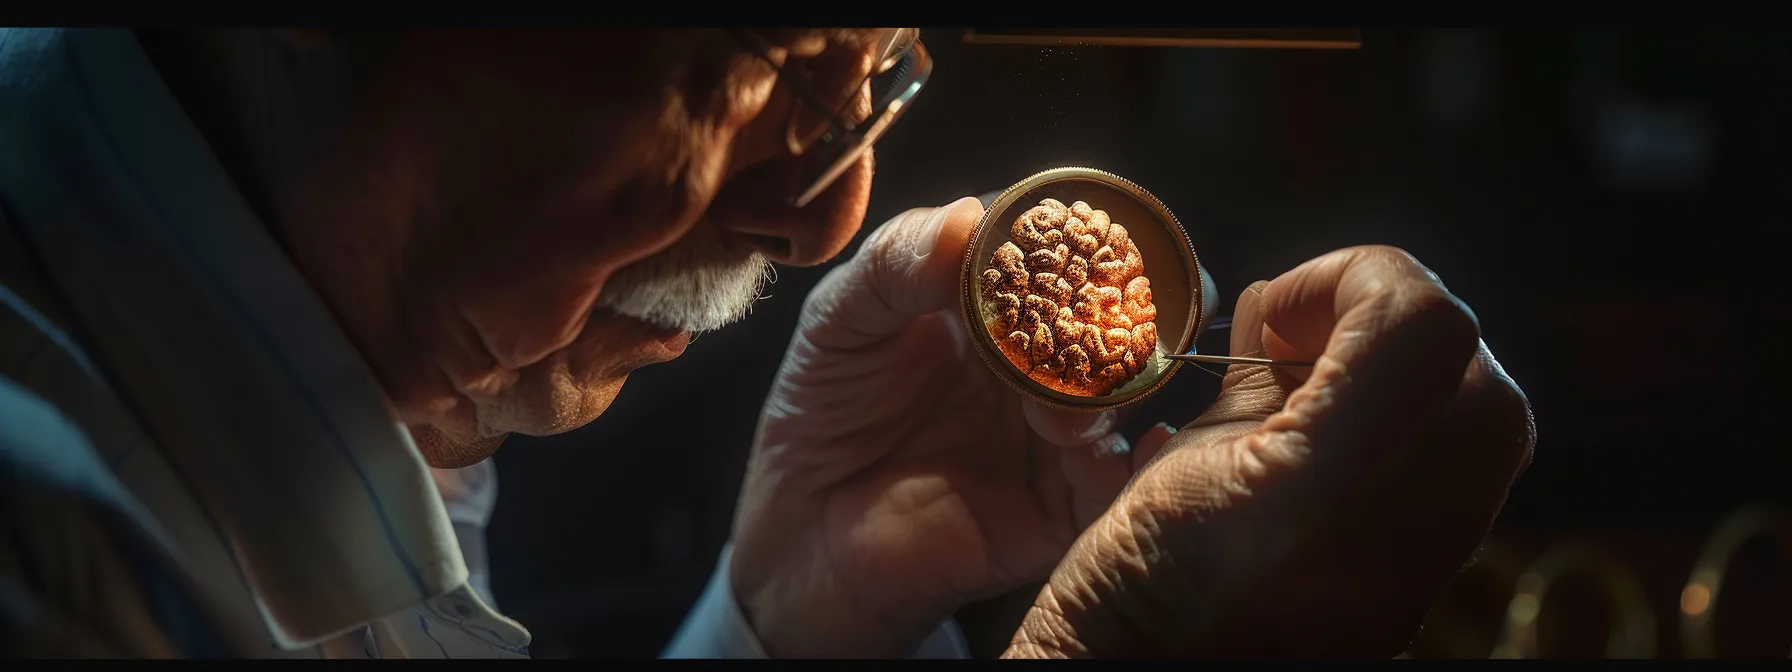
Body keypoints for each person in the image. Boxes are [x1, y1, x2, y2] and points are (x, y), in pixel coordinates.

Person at [0, 27, 1535, 659]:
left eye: (881, 64)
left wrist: (796, 611)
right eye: (775, 57)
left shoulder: (355, 353)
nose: (829, 215)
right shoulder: (58, 558)